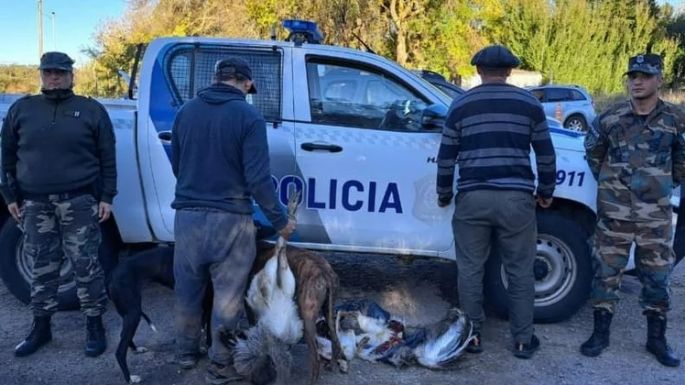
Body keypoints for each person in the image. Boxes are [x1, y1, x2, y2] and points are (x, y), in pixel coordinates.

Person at [171, 57, 296, 384]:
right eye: (249, 87)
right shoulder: (249, 117)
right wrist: (280, 220)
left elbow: (178, 165)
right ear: (244, 83)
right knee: (227, 300)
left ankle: (185, 353)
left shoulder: (185, 112)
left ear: (216, 79)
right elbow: (258, 180)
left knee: (187, 290)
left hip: (187, 219)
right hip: (230, 221)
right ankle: (221, 363)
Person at [436, 44, 556, 359]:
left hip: (473, 198)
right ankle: (522, 340)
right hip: (517, 200)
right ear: (509, 71)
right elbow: (545, 153)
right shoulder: (530, 104)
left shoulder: (460, 104)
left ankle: (472, 337)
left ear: (479, 70)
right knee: (519, 270)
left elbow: (446, 155)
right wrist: (546, 191)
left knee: (470, 269)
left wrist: (444, 192)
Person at [1, 51, 117, 357]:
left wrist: (107, 196)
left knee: (87, 267)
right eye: (49, 72)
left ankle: (94, 325)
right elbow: (6, 156)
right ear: (41, 74)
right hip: (35, 205)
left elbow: (108, 156)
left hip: (79, 201)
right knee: (42, 268)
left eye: (61, 72)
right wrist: (9, 196)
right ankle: (41, 328)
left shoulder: (90, 110)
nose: (54, 77)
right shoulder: (22, 110)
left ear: (71, 75)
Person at [581, 53, 684, 367]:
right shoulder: (611, 117)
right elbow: (593, 153)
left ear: (658, 79)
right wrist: (612, 184)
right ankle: (600, 334)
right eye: (632, 76)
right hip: (615, 214)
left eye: (644, 76)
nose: (636, 81)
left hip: (655, 216)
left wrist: (664, 183)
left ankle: (656, 339)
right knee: (606, 272)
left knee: (656, 277)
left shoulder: (675, 119)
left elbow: (682, 159)